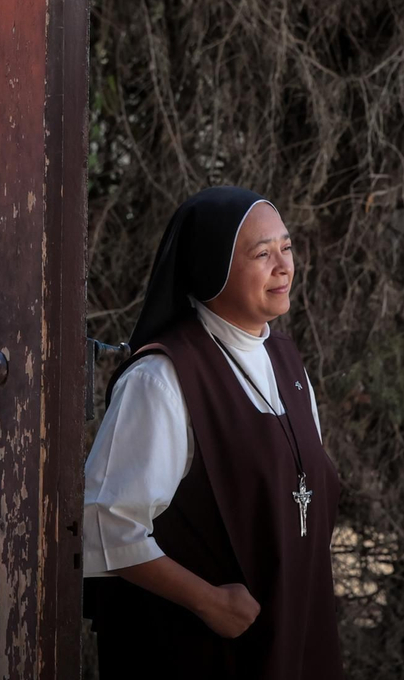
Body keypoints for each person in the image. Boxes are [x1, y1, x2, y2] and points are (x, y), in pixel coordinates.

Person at [83, 185, 345, 678]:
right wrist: (208, 602)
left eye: (286, 247)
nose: (284, 266)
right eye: (262, 253)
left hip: (293, 634)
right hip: (201, 653)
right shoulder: (161, 379)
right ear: (211, 268)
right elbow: (107, 525)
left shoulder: (285, 361)